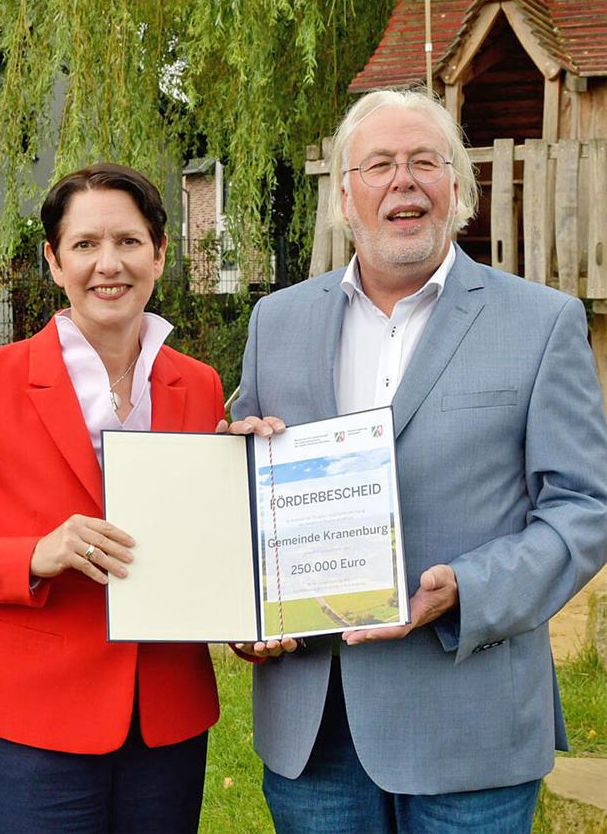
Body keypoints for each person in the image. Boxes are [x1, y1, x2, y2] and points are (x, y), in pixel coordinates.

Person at [229, 88, 607, 831]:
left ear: (457, 188)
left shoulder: (542, 323)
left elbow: (584, 509)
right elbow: (244, 488)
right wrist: (240, 602)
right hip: (316, 731)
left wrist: (466, 587)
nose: (402, 180)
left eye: (424, 162)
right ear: (344, 196)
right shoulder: (276, 320)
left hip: (469, 727)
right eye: (378, 165)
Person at [0, 164, 223, 832]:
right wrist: (32, 556)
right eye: (85, 244)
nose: (109, 264)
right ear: (53, 259)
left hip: (167, 719)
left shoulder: (201, 386)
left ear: (160, 253)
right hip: (31, 722)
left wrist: (256, 471)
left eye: (129, 242)